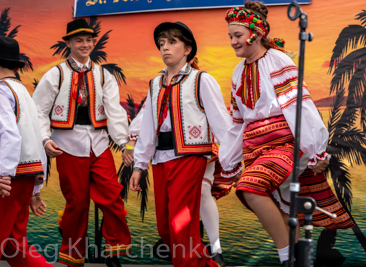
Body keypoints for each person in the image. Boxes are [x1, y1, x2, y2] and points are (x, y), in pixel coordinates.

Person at [219, 2, 354, 266]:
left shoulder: (277, 59)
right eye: (230, 36)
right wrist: (230, 160)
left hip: (283, 144)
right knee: (272, 202)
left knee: (252, 188)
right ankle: (297, 259)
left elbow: (299, 105)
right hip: (254, 149)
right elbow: (237, 122)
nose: (233, 41)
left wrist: (315, 151)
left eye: (237, 35)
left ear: (255, 34)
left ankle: (286, 260)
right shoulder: (237, 72)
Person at [130, 21, 231, 266]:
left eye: (172, 42)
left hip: (189, 159)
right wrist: (138, 166)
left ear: (187, 49)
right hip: (161, 161)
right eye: (161, 43)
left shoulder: (201, 80)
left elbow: (222, 124)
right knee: (166, 228)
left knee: (181, 225)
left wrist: (233, 162)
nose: (165, 48)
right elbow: (146, 128)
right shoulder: (156, 84)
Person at [32, 19, 131, 267]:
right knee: (76, 202)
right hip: (66, 145)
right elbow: (38, 112)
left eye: (88, 40)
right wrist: (45, 140)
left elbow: (114, 111)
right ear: (68, 43)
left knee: (112, 196)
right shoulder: (55, 74)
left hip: (98, 143)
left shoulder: (103, 74)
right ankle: (72, 257)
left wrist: (125, 144)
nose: (85, 44)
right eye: (79, 40)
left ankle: (114, 252)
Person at [127, 107, 227, 267]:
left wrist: (232, 155)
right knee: (173, 211)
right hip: (167, 152)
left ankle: (216, 249)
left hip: (197, 144)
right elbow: (148, 114)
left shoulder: (200, 81)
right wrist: (133, 145)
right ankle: (185, 240)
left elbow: (217, 114)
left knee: (202, 192)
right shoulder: (159, 85)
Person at [0, 36, 51, 267]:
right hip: (25, 176)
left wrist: (2, 174)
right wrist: (35, 188)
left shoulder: (2, 92)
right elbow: (36, 138)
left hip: (7, 178)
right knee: (14, 245)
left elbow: (8, 136)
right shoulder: (21, 91)